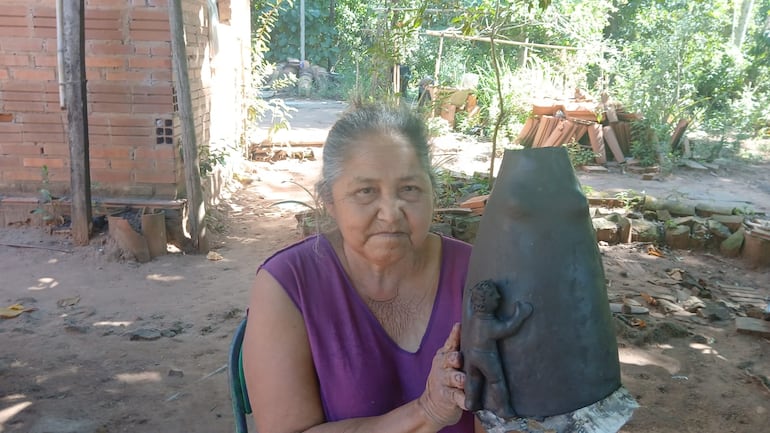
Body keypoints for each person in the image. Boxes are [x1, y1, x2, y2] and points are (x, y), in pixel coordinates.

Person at [242, 103, 483, 433]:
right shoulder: (288, 284)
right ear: (329, 200)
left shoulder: (476, 273)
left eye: (409, 189)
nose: (390, 212)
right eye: (366, 191)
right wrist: (427, 412)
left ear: (432, 192)